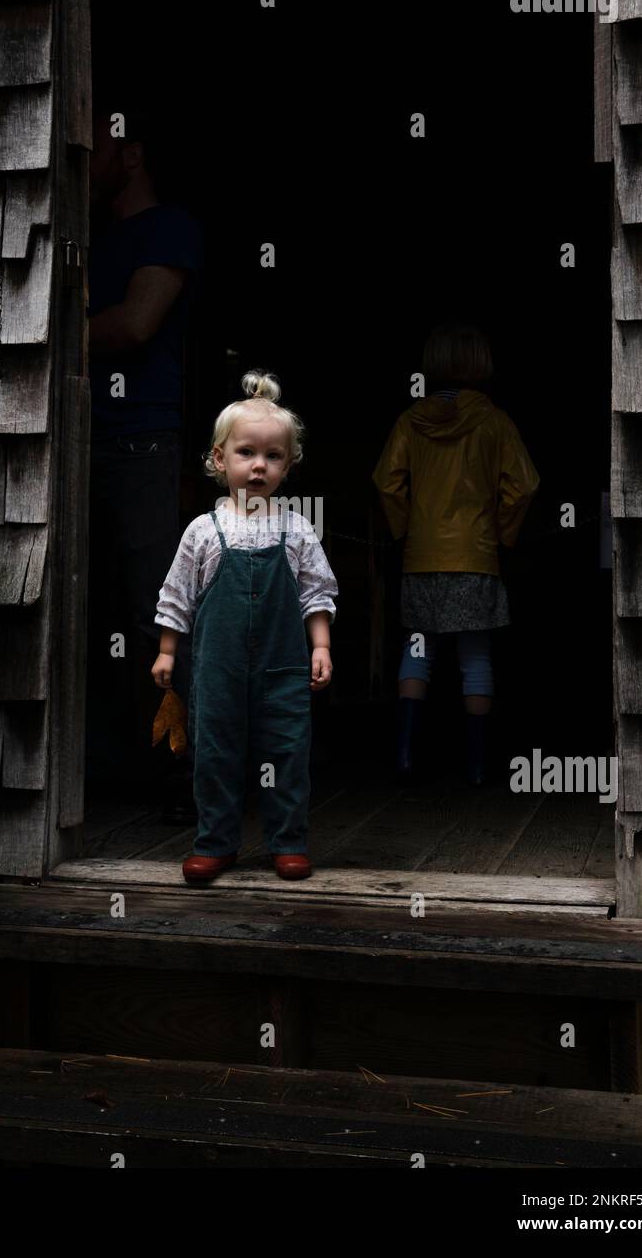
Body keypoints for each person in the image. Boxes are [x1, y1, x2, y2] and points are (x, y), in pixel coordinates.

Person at [152, 370, 338, 884]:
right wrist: (168, 651)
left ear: (289, 463)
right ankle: (215, 843)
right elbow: (178, 596)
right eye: (246, 453)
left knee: (287, 750)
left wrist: (319, 644)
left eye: (273, 456)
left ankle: (288, 842)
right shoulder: (203, 530)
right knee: (214, 752)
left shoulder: (295, 527)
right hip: (218, 670)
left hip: (283, 667)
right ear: (219, 459)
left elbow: (316, 593)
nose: (259, 466)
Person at [86, 98, 203, 816]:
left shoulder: (171, 228)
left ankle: (179, 779)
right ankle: (106, 772)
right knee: (87, 610)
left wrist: (63, 329)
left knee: (152, 614)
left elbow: (134, 324)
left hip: (144, 447)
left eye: (94, 140)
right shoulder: (90, 239)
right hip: (84, 444)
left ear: (130, 152)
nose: (80, 154)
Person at [371, 324, 539, 786]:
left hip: (422, 557)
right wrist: (503, 534)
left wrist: (406, 528)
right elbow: (523, 485)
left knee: (417, 651)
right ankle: (477, 767)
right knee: (476, 658)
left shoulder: (410, 420)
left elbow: (387, 481)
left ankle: (405, 757)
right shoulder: (495, 421)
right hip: (476, 556)